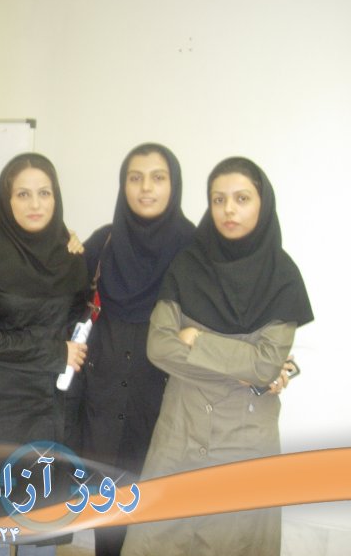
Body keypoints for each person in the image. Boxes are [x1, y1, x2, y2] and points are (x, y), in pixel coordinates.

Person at [121, 157, 313, 556]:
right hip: (180, 433)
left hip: (244, 441)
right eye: (218, 199)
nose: (228, 209)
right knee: (161, 540)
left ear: (262, 203)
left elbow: (265, 364)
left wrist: (197, 340)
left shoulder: (283, 276)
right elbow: (159, 347)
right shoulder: (187, 265)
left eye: (241, 198)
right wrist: (244, 367)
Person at [0, 153, 90, 554]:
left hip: (50, 411)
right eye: (23, 194)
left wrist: (66, 352)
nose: (35, 204)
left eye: (44, 193)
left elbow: (78, 320)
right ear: (6, 199)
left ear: (56, 198)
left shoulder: (70, 258)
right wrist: (53, 352)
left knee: (40, 542)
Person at [77, 143, 195, 556]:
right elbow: (59, 296)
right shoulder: (104, 242)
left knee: (158, 525)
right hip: (102, 403)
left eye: (158, 178)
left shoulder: (194, 250)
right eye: (135, 178)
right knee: (108, 520)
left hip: (164, 407)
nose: (146, 188)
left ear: (173, 185)